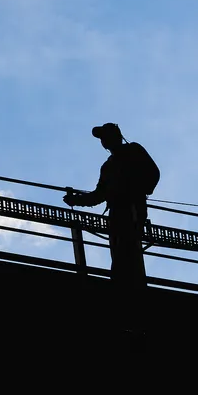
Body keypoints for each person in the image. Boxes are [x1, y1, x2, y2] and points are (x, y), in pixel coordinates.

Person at [63, 123, 158, 290]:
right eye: (102, 138)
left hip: (132, 210)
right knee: (120, 249)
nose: (103, 141)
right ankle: (123, 281)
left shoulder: (133, 150)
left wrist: (139, 190)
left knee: (127, 249)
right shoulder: (108, 166)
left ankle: (127, 283)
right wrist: (76, 200)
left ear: (115, 137)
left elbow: (153, 173)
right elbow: (99, 195)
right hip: (117, 213)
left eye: (105, 137)